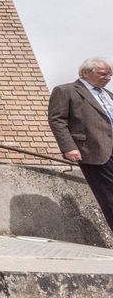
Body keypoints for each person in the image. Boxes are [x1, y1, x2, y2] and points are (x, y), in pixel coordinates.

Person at [48, 57, 113, 231]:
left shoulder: (109, 95)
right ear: (85, 73)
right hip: (93, 150)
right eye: (103, 73)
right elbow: (57, 120)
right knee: (108, 194)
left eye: (110, 75)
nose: (107, 77)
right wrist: (69, 146)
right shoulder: (66, 90)